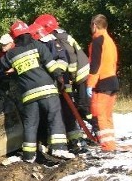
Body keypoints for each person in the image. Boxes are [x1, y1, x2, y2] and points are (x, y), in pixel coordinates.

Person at [0, 20, 71, 162]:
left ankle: (28, 155)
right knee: (54, 117)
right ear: (28, 32)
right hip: (47, 91)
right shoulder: (38, 46)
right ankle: (59, 149)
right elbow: (51, 65)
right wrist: (60, 78)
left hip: (29, 95)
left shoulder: (12, 54)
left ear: (14, 37)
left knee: (30, 124)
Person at [34, 14, 90, 154]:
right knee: (68, 110)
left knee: (72, 109)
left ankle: (79, 139)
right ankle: (76, 138)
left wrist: (63, 77)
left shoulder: (57, 40)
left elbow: (69, 60)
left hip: (71, 78)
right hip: (69, 78)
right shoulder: (59, 36)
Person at [87, 14, 119, 151]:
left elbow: (95, 65)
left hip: (102, 83)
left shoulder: (97, 40)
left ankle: (107, 146)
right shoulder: (109, 40)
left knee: (99, 116)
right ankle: (111, 144)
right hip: (112, 81)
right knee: (107, 115)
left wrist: (90, 84)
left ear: (94, 25)